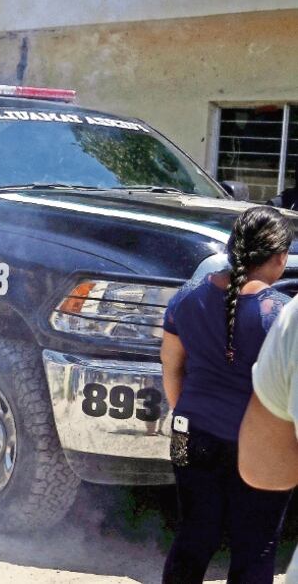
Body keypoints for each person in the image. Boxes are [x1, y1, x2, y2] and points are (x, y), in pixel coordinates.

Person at [160, 205, 293, 583]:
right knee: (256, 546)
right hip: (257, 444)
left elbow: (171, 367)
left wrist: (188, 417)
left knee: (193, 536)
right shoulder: (282, 315)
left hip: (192, 434)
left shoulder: (186, 298)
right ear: (280, 258)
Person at [239, 297, 298, 583]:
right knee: (259, 541)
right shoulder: (274, 308)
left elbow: (266, 470)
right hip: (244, 431)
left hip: (225, 429)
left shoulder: (292, 314)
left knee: (197, 530)